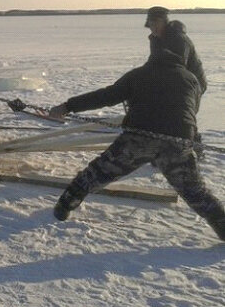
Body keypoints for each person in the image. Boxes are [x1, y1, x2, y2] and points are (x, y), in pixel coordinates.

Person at [48, 47, 224, 241]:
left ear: (152, 60)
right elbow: (189, 112)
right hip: (178, 141)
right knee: (195, 191)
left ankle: (64, 206)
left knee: (98, 172)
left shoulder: (139, 74)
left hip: (138, 138)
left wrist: (67, 106)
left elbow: (106, 96)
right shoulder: (191, 80)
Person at [145, 6, 207, 158]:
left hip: (192, 84)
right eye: (150, 24)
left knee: (184, 117)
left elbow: (177, 66)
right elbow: (155, 62)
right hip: (174, 82)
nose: (153, 27)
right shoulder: (156, 39)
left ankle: (196, 152)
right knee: (167, 115)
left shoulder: (178, 39)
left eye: (156, 23)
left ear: (163, 22)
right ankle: (165, 150)